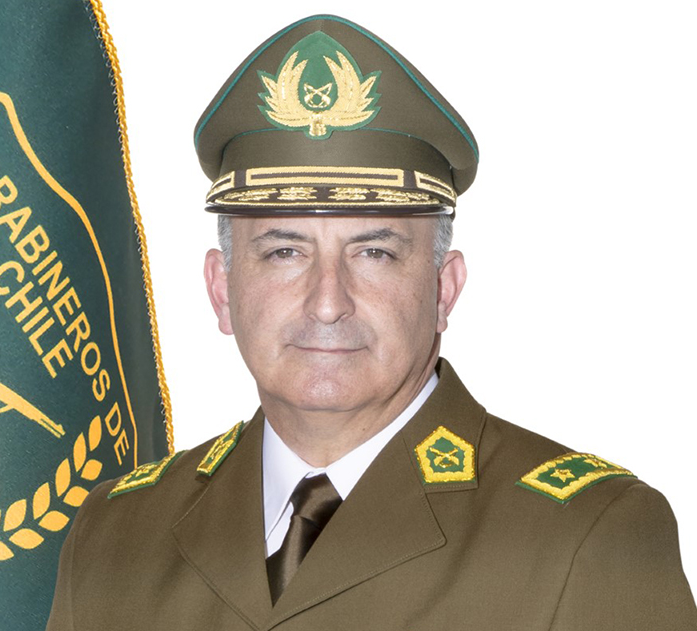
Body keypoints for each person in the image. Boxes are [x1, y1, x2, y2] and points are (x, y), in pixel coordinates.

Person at [47, 15, 696, 630]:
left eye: (374, 253)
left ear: (443, 289)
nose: (327, 302)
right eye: (284, 251)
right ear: (221, 289)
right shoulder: (116, 534)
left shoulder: (588, 537)